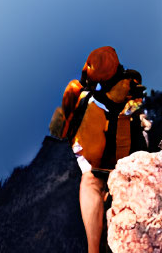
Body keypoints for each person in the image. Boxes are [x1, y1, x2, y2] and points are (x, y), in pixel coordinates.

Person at [50, 46, 148, 253]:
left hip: (101, 165)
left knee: (90, 183)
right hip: (128, 161)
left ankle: (94, 249)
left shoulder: (81, 93)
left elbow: (57, 129)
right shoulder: (131, 85)